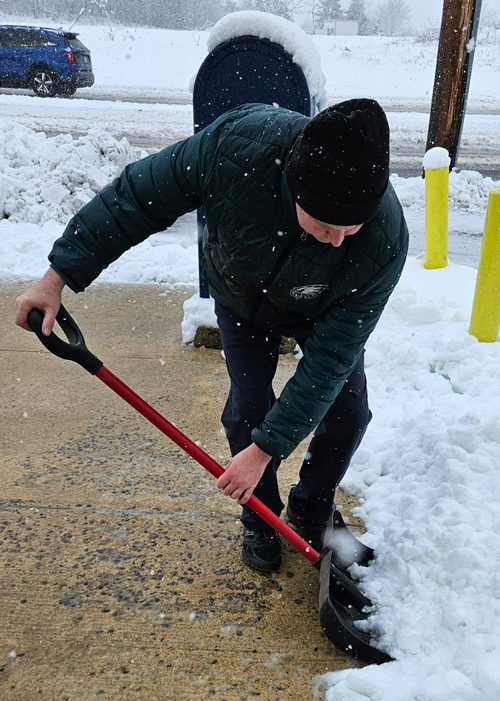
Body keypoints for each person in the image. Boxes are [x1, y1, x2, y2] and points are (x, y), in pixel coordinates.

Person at [16, 99, 409, 574]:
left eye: (352, 227)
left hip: (322, 308)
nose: (338, 240)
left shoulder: (384, 238)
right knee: (248, 407)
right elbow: (137, 199)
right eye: (326, 225)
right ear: (296, 189)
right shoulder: (237, 149)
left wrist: (268, 450)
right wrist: (57, 277)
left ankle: (312, 513)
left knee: (348, 410)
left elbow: (330, 360)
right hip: (242, 298)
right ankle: (259, 518)